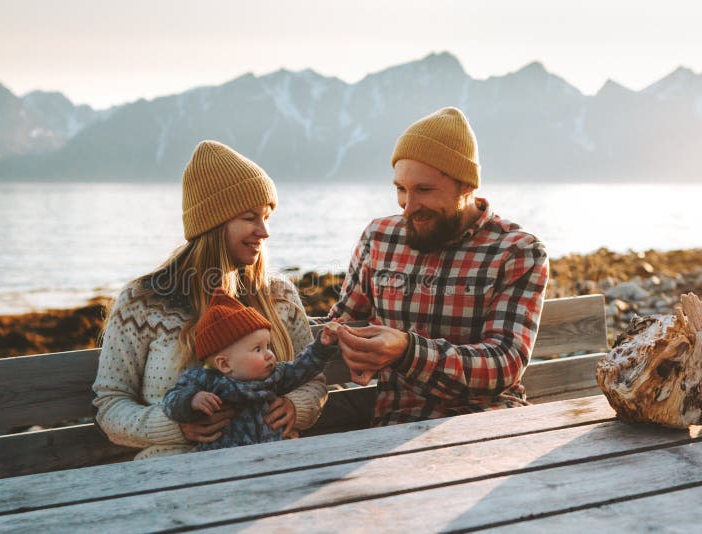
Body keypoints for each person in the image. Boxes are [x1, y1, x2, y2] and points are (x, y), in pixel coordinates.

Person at [92, 140, 327, 460]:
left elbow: (312, 380)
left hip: (273, 466)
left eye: (266, 217)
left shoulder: (279, 295)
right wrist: (176, 425)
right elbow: (110, 404)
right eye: (249, 217)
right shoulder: (143, 302)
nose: (264, 231)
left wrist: (294, 408)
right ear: (213, 223)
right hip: (174, 475)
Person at [327, 107, 549, 426]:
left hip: (489, 422)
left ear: (466, 186)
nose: (409, 207)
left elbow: (505, 363)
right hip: (397, 425)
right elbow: (345, 320)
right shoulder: (379, 237)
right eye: (401, 189)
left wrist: (407, 351)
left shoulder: (517, 251)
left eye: (424, 190)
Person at [163, 288, 339, 451]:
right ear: (225, 364)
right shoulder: (205, 380)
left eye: (267, 346)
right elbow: (170, 400)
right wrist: (191, 400)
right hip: (221, 462)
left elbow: (303, 368)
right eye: (258, 349)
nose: (269, 354)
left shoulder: (274, 376)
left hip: (270, 456)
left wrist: (321, 347)